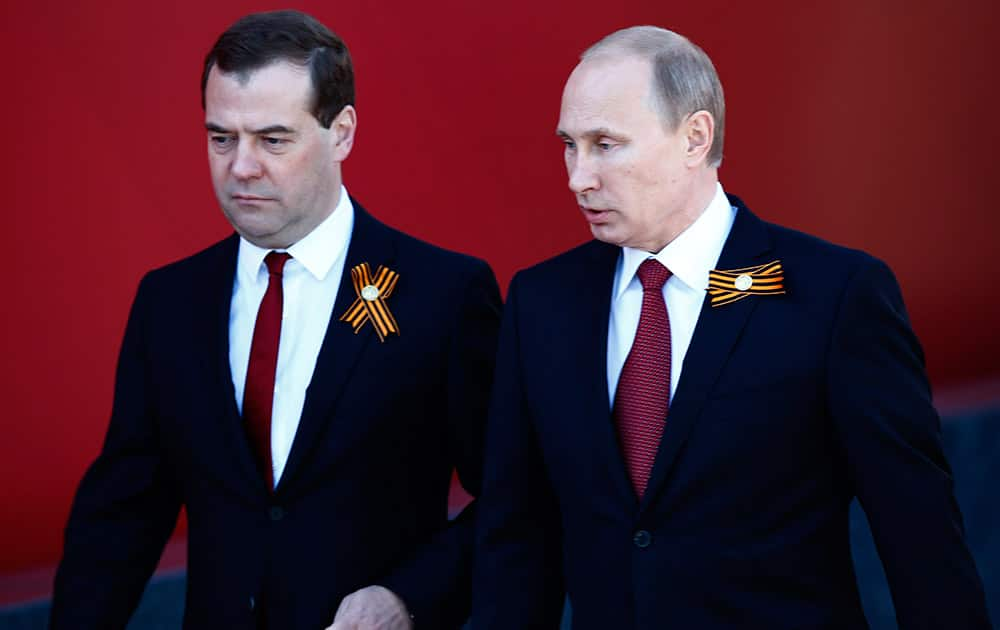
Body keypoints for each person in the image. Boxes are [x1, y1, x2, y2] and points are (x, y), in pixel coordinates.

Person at [473, 26, 992, 629]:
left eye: (605, 144)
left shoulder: (835, 297)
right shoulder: (543, 303)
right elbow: (517, 537)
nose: (578, 177)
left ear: (695, 137)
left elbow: (919, 536)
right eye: (570, 145)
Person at [51, 10, 500, 630]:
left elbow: (513, 497)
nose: (241, 167)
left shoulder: (444, 294)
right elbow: (122, 514)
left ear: (341, 133)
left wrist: (407, 597)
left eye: (273, 139)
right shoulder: (170, 302)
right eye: (221, 138)